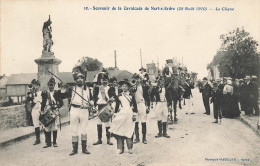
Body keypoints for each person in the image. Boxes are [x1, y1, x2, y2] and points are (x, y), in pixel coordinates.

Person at [61, 66, 93, 155]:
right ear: (75, 80)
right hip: (74, 110)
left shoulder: (88, 89)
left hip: (84, 110)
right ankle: (74, 149)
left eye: (82, 78)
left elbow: (92, 99)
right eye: (78, 78)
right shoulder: (71, 89)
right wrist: (63, 90)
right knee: (74, 129)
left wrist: (92, 102)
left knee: (84, 130)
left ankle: (84, 149)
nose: (80, 80)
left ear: (84, 80)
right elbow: (63, 97)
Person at [109, 79, 138, 154]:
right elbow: (117, 106)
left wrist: (134, 114)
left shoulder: (131, 95)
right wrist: (115, 114)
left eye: (126, 86)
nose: (124, 88)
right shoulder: (119, 95)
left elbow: (134, 105)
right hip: (121, 113)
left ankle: (130, 147)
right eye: (123, 86)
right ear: (121, 87)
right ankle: (121, 148)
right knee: (120, 130)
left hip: (129, 114)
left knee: (129, 130)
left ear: (128, 87)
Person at [41, 78, 63, 148]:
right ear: (48, 85)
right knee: (47, 127)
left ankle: (54, 142)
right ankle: (48, 143)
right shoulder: (45, 93)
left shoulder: (56, 93)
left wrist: (56, 106)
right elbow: (43, 103)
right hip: (47, 111)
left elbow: (61, 103)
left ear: (54, 85)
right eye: (50, 85)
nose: (51, 86)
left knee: (54, 127)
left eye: (52, 85)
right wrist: (42, 111)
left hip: (54, 111)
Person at [93, 72, 113, 145]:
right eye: (102, 79)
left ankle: (108, 139)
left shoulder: (110, 88)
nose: (104, 81)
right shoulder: (98, 88)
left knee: (107, 123)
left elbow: (112, 97)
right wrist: (94, 106)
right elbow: (94, 97)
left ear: (107, 80)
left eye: (106, 80)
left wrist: (110, 100)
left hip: (106, 106)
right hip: (99, 106)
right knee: (99, 123)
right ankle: (99, 139)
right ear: (100, 80)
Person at [132, 74, 149, 144]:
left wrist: (147, 106)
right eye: (135, 79)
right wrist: (133, 86)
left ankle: (144, 138)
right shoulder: (132, 87)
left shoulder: (144, 87)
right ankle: (137, 137)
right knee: (135, 121)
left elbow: (147, 96)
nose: (137, 80)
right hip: (134, 105)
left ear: (140, 79)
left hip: (142, 104)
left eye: (138, 79)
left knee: (143, 121)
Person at [28, 79, 43, 145]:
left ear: (39, 86)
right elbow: (29, 101)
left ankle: (48, 140)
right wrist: (31, 94)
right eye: (34, 85)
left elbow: (43, 101)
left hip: (40, 109)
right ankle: (38, 139)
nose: (35, 87)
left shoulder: (42, 92)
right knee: (36, 124)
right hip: (34, 109)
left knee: (46, 123)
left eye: (36, 85)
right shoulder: (31, 93)